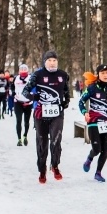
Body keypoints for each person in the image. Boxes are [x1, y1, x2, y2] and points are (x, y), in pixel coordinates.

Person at [21, 50, 70, 184]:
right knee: (42, 142)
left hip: (57, 113)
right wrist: (34, 97)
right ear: (45, 62)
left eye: (54, 60)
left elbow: (66, 91)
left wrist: (66, 102)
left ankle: (55, 165)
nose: (52, 63)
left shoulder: (63, 75)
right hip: (41, 112)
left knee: (56, 139)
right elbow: (25, 91)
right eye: (49, 60)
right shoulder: (38, 75)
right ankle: (42, 169)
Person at [79, 64, 107, 182]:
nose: (105, 75)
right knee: (97, 149)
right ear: (98, 75)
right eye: (103, 73)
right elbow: (81, 101)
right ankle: (90, 158)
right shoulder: (92, 88)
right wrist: (85, 112)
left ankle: (98, 173)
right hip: (94, 122)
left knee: (105, 150)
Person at [14, 64, 33, 146]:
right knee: (18, 120)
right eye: (21, 70)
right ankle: (19, 139)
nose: (23, 71)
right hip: (18, 102)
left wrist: (31, 99)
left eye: (24, 70)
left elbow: (35, 88)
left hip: (28, 103)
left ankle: (25, 135)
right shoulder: (16, 78)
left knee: (26, 122)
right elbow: (12, 87)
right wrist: (12, 93)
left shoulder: (31, 78)